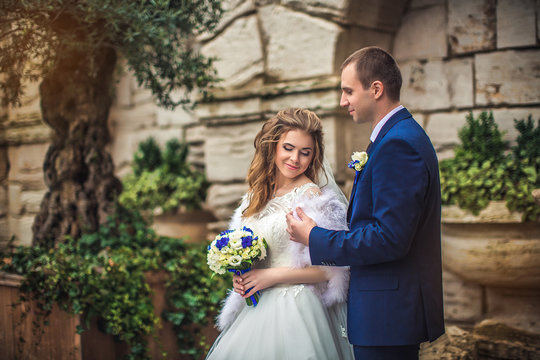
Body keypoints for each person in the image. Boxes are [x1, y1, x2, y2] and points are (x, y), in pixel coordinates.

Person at [286, 46, 445, 359]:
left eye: (348, 91)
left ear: (376, 89)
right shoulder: (394, 138)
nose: (342, 101)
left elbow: (389, 238)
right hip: (384, 314)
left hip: (387, 315)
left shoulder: (399, 144)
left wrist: (314, 236)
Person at [205, 108, 354, 359]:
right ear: (273, 146)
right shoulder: (254, 197)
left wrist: (271, 276)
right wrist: (242, 275)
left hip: (297, 308)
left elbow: (333, 268)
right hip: (254, 310)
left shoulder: (311, 196)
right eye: (288, 148)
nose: (295, 158)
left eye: (305, 152)